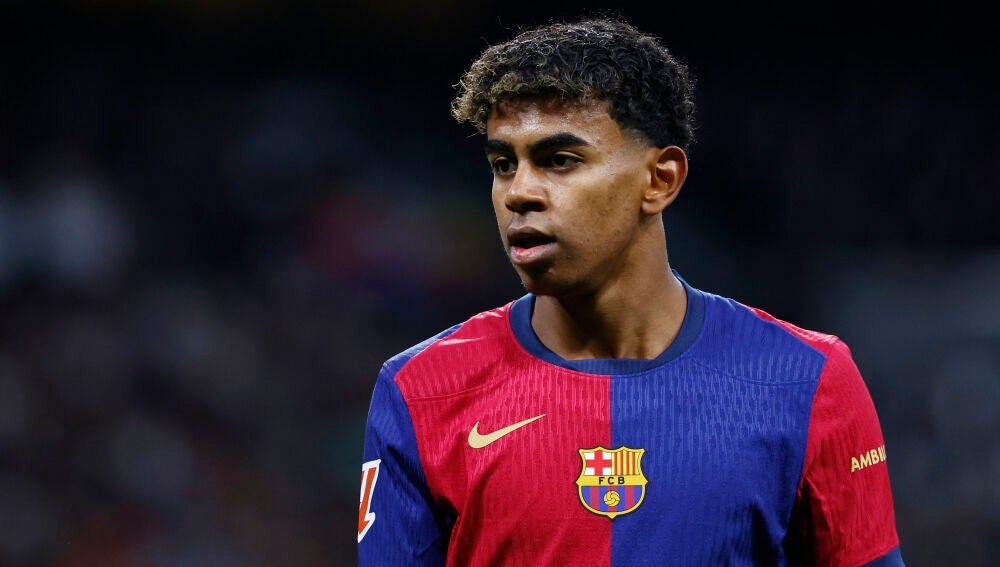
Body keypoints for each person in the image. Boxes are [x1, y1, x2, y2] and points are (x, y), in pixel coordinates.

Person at [357, 16, 904, 566]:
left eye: (560, 161)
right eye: (503, 165)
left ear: (660, 180)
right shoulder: (420, 389)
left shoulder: (807, 378)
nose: (518, 192)